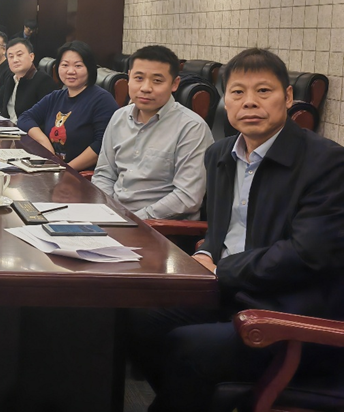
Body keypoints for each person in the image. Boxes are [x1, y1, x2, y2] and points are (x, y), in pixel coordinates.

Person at [128, 48, 344, 412]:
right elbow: (220, 229)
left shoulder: (326, 162)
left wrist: (222, 269)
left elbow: (308, 254)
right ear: (224, 100)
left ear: (288, 97)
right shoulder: (220, 154)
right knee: (136, 319)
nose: (250, 102)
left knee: (188, 348)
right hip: (229, 293)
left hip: (287, 312)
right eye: (238, 92)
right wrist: (204, 253)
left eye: (264, 91)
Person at [92, 45, 213, 220]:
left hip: (160, 227)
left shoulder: (192, 128)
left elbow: (187, 197)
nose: (146, 88)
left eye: (157, 81)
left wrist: (133, 220)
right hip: (113, 217)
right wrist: (110, 211)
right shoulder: (119, 117)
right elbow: (104, 174)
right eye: (139, 78)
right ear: (129, 78)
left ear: (174, 84)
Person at [18, 41, 118, 170]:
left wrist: (67, 170)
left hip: (82, 175)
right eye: (65, 65)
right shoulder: (56, 97)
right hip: (53, 169)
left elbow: (102, 145)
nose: (70, 71)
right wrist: (45, 144)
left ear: (89, 68)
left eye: (78, 66)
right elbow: (25, 118)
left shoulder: (102, 100)